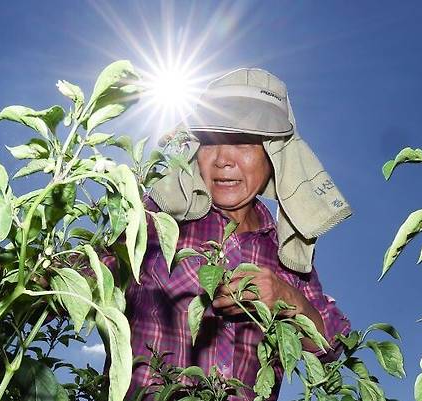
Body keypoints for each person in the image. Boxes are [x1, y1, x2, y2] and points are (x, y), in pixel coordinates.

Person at [118, 68, 351, 400]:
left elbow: (332, 345)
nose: (223, 160)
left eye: (244, 142)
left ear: (272, 156)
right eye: (211, 141)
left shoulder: (284, 251)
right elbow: (81, 275)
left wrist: (288, 302)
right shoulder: (157, 218)